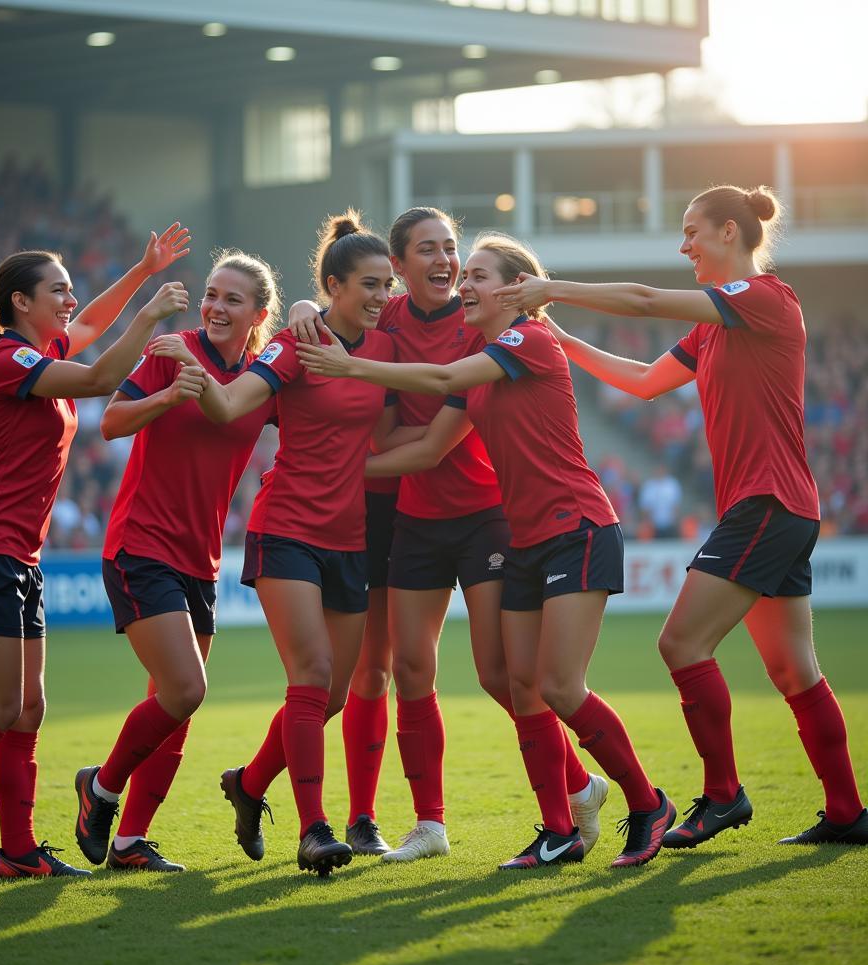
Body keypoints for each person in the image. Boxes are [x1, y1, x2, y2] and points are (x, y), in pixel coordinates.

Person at [494, 184, 866, 847]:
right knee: (793, 671)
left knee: (681, 644)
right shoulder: (715, 326)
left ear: (731, 231)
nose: (683, 244)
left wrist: (553, 289)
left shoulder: (766, 299)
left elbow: (642, 300)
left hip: (766, 506)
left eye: (693, 231)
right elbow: (640, 381)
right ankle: (847, 813)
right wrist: (560, 334)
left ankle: (723, 797)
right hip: (777, 508)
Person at [296, 232, 676, 869]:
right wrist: (307, 313)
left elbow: (442, 376)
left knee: (554, 685)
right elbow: (418, 426)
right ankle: (560, 826)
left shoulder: (525, 339)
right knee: (514, 682)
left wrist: (352, 368)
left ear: (518, 290)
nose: (461, 282)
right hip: (525, 538)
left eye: (476, 274)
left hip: (573, 526)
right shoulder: (483, 353)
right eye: (458, 271)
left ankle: (645, 803)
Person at [0, 225, 198, 882]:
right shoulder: (8, 361)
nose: (73, 302)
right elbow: (105, 373)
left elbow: (92, 325)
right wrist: (152, 313)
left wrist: (139, 271)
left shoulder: (36, 351)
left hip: (15, 556)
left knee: (28, 707)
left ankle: (16, 853)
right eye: (60, 292)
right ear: (22, 302)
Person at [176, 211, 397, 876]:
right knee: (311, 678)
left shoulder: (386, 349)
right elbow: (230, 403)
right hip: (287, 530)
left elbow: (386, 437)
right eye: (370, 285)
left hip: (351, 537)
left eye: (389, 285)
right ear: (334, 285)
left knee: (332, 695)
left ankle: (248, 784)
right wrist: (189, 371)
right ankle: (314, 830)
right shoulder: (297, 340)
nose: (384, 296)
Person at [72, 250, 280, 872]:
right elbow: (109, 422)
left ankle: (132, 842)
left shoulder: (259, 377)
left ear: (258, 313)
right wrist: (165, 401)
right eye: (212, 294)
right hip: (142, 545)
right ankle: (100, 788)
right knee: (186, 689)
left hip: (202, 557)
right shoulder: (171, 348)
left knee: (175, 702)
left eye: (232, 299)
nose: (215, 306)